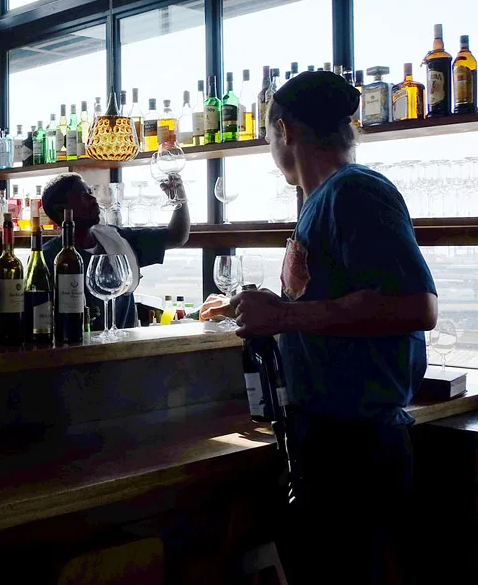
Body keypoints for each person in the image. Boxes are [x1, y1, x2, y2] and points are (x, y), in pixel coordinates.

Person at [218, 71, 437, 584]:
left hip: (356, 448)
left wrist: (283, 316)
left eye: (268, 135)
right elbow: (334, 301)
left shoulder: (355, 192)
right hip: (330, 439)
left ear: (286, 130)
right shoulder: (323, 200)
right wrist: (277, 307)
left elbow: (416, 306)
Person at [39, 172, 189, 329]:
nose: (93, 199)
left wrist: (179, 198)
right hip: (78, 343)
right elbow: (41, 314)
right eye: (83, 195)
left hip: (127, 343)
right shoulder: (49, 257)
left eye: (91, 192)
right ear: (61, 210)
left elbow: (176, 236)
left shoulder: (117, 237)